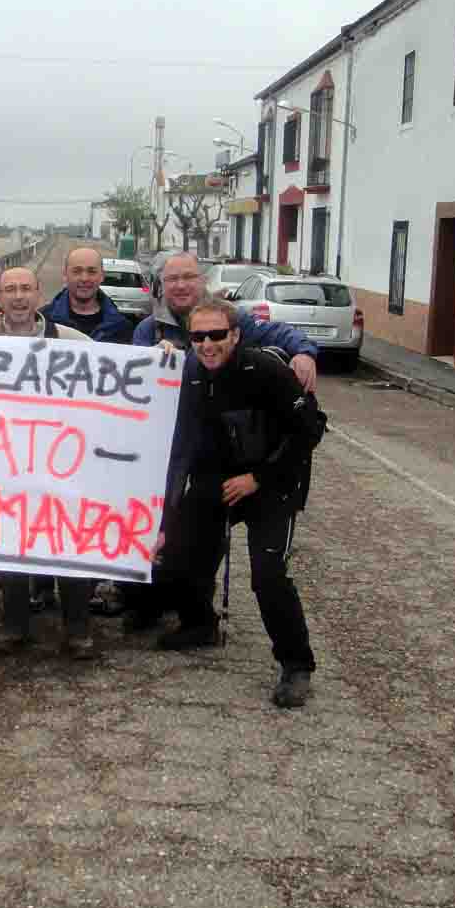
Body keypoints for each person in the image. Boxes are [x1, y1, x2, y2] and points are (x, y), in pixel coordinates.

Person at [153, 298, 322, 708]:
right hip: (218, 480)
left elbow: (309, 431)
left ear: (236, 335)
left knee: (267, 575)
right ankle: (200, 623)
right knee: (175, 551)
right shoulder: (190, 371)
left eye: (216, 335)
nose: (207, 344)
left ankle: (296, 664)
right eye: (198, 336)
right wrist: (160, 361)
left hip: (272, 481)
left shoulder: (266, 370)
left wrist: (259, 478)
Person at [0, 267, 97, 658]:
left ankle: (78, 629)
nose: (18, 297)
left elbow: (114, 378)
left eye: (25, 289)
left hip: (63, 461)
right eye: (9, 290)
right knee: (14, 545)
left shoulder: (70, 340)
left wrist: (158, 359)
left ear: (39, 295)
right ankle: (14, 626)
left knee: (69, 544)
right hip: (6, 463)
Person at [133, 251, 319, 393]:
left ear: (202, 280)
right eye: (172, 279)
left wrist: (304, 353)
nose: (181, 285)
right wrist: (152, 359)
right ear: (162, 285)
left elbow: (279, 332)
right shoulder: (147, 329)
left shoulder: (230, 317)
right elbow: (137, 385)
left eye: (189, 277)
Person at [41, 246, 134, 344]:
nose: (84, 278)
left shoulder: (121, 327)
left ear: (102, 276)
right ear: (65, 275)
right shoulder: (42, 322)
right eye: (77, 271)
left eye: (92, 271)